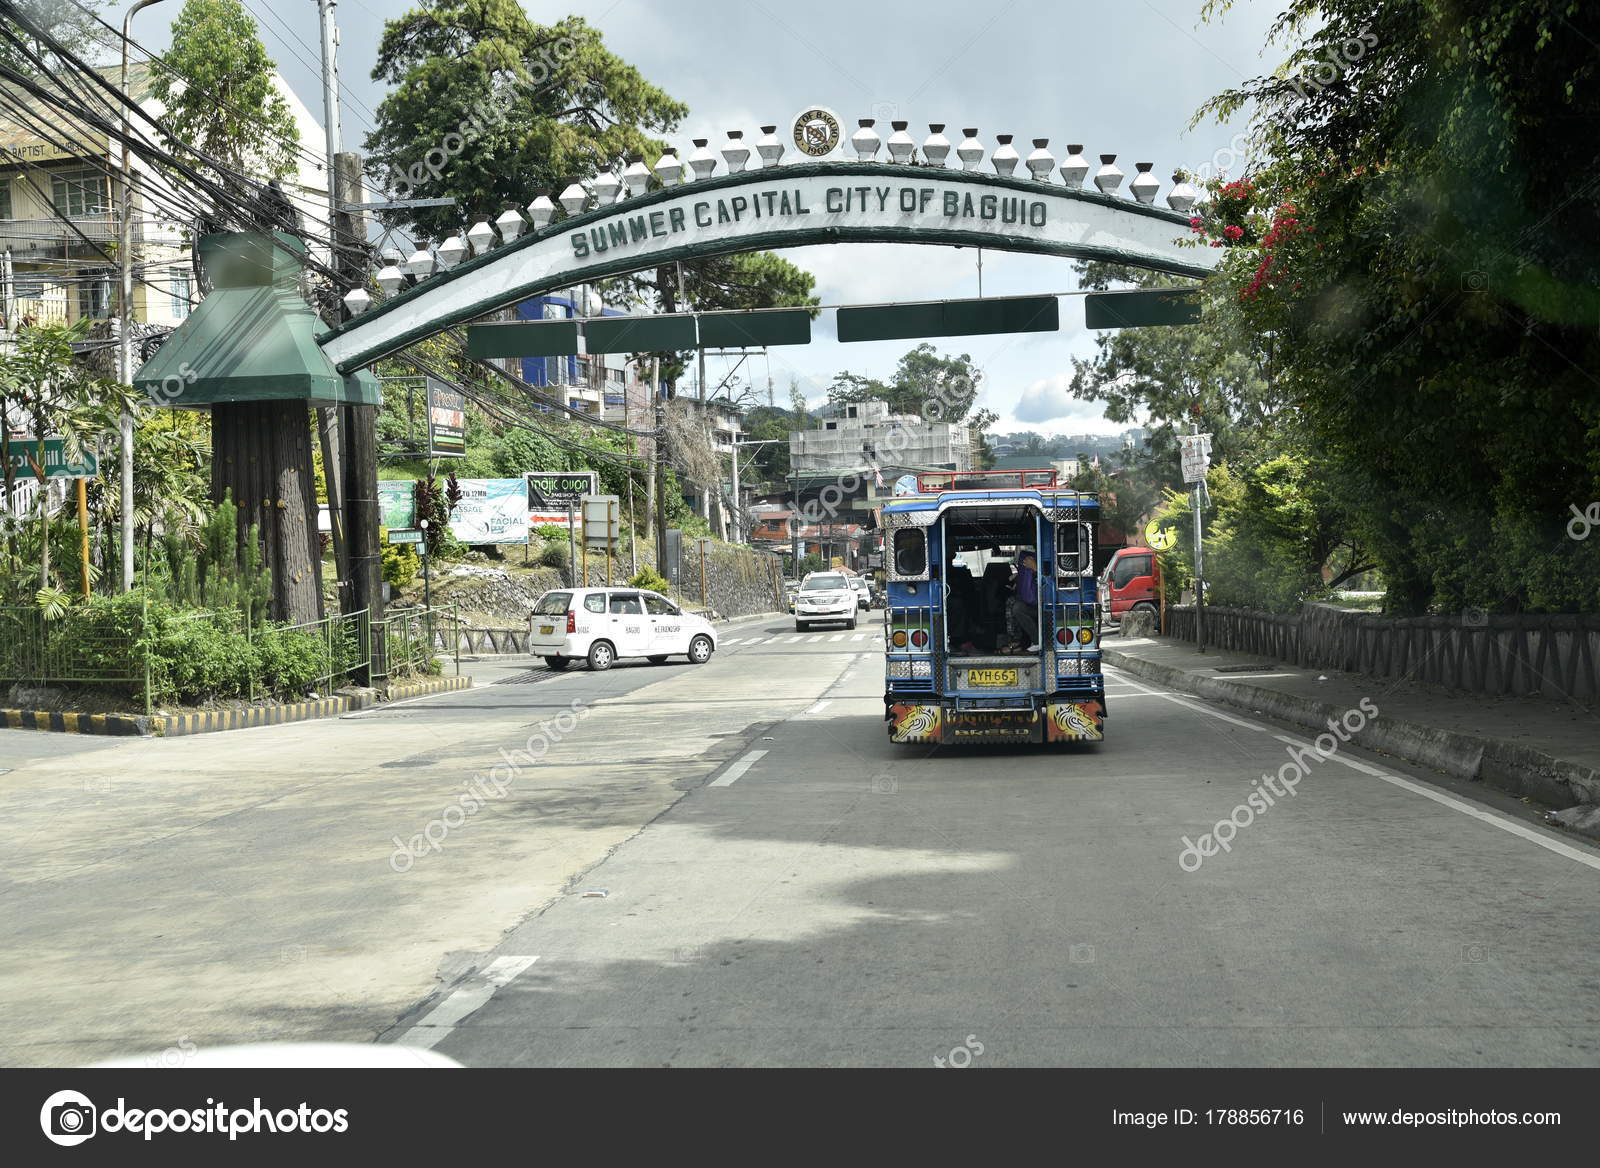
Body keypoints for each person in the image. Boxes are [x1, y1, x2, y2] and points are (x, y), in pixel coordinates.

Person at [1008, 550, 1040, 653]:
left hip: (1049, 605)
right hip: (1033, 604)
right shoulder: (1026, 570)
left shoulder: (1050, 560)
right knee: (1016, 606)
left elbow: (1051, 581)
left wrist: (1035, 568)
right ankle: (1035, 641)